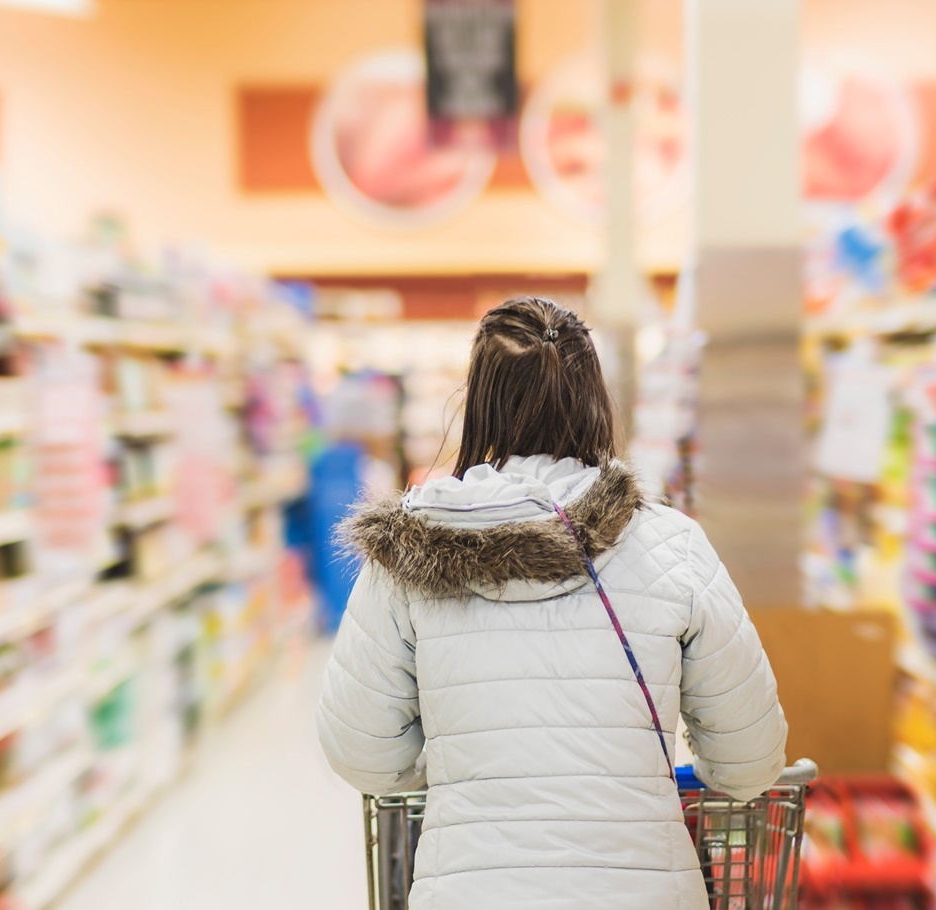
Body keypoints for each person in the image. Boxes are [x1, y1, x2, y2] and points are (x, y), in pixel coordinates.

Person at [317, 296, 788, 910]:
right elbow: (751, 763)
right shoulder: (672, 545)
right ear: (596, 399)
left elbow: (361, 751)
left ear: (478, 403)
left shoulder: (408, 553)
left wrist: (463, 769)